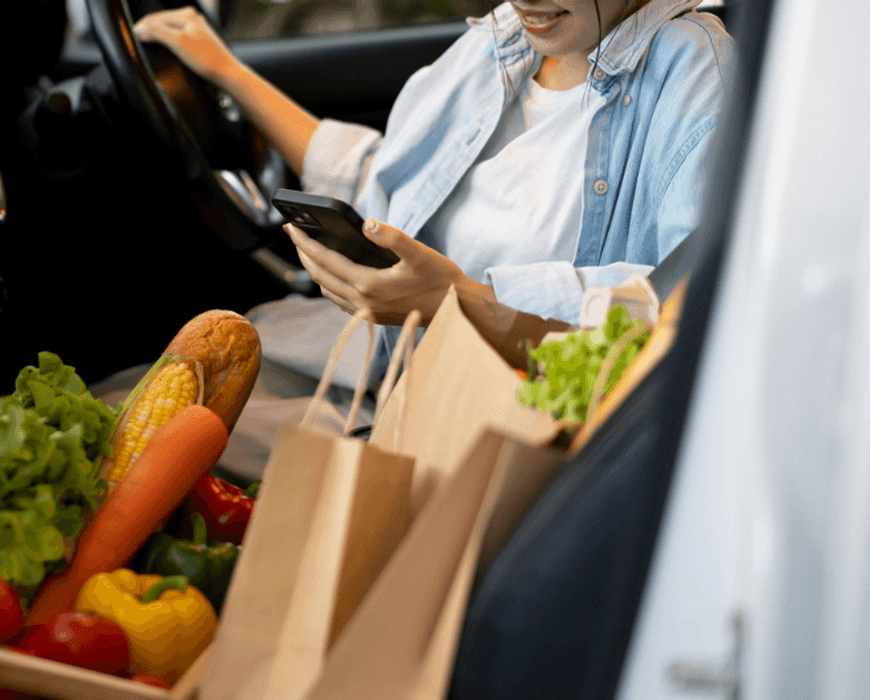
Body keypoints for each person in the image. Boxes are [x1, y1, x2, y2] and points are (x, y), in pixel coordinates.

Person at [120, 0, 733, 477]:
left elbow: (674, 308)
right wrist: (225, 70)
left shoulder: (694, 71)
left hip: (486, 424)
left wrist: (458, 302)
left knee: (150, 453)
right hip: (376, 363)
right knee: (121, 414)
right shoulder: (504, 41)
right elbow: (385, 179)